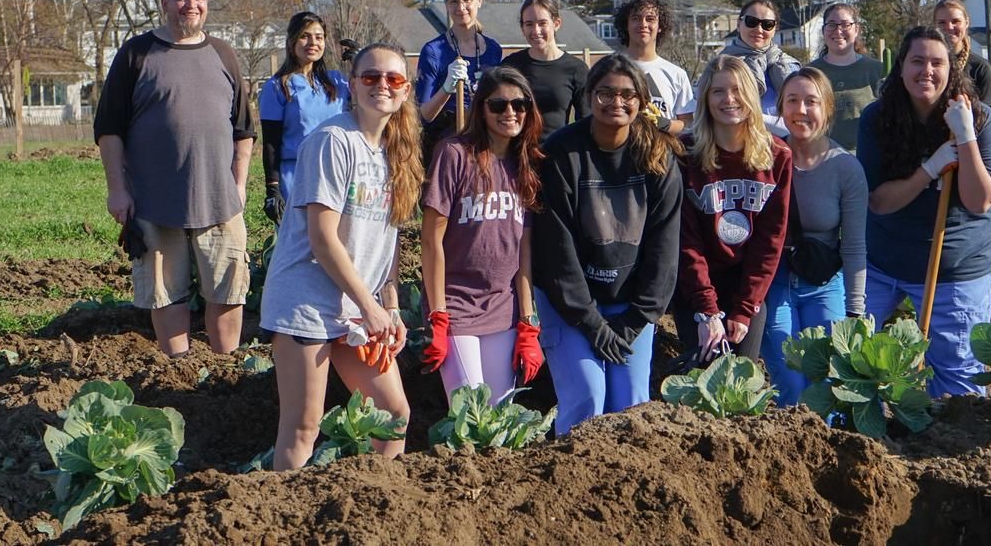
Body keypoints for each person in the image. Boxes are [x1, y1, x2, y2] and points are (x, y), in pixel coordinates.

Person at [261, 42, 423, 470]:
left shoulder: (395, 153)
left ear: (405, 90)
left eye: (393, 79)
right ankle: (280, 519)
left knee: (392, 416)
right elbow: (322, 238)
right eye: (370, 77)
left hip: (355, 306)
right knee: (302, 427)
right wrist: (371, 307)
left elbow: (386, 243)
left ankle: (377, 506)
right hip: (306, 303)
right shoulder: (334, 141)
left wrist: (390, 306)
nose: (381, 86)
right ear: (353, 85)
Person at [94, 0, 254, 357]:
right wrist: (117, 189)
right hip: (154, 200)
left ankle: (223, 362)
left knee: (228, 288)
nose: (191, 5)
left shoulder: (223, 53)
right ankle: (176, 364)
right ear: (165, 4)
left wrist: (239, 184)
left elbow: (244, 128)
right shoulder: (136, 53)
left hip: (219, 200)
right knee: (165, 292)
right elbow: (109, 130)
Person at [533, 53, 683, 435]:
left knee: (630, 405)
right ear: (588, 97)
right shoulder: (563, 152)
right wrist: (591, 323)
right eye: (605, 93)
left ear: (641, 101)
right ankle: (567, 482)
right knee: (587, 396)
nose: (616, 102)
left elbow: (664, 249)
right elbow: (556, 249)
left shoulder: (658, 156)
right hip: (571, 304)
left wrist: (634, 322)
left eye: (627, 94)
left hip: (629, 304)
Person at [856, 26, 991, 397]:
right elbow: (879, 202)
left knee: (959, 383)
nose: (927, 70)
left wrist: (965, 135)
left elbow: (979, 201)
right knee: (849, 358)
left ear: (951, 69)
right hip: (883, 261)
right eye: (917, 61)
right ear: (901, 67)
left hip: (955, 264)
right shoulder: (877, 119)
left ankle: (947, 445)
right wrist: (930, 168)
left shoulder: (981, 119)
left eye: (937, 62)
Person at [420, 67, 545, 404]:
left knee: (499, 416)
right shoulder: (454, 154)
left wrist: (527, 323)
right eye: (498, 105)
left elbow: (524, 252)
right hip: (456, 306)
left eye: (519, 105)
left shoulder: (525, 164)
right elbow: (431, 241)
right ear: (481, 108)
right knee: (470, 414)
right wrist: (438, 316)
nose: (510, 112)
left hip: (502, 309)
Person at [760, 67, 868, 406]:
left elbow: (853, 245)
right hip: (774, 283)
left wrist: (855, 310)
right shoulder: (764, 158)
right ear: (780, 107)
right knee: (789, 386)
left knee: (825, 384)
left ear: (827, 109)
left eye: (811, 101)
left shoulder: (845, 168)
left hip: (823, 285)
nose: (801, 110)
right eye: (792, 100)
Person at [676, 55, 791, 365]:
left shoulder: (777, 155)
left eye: (737, 90)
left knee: (741, 382)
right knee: (699, 380)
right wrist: (706, 310)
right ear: (705, 99)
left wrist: (744, 308)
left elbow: (770, 241)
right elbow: (686, 240)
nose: (729, 99)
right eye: (718, 91)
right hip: (695, 286)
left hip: (746, 286)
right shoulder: (684, 154)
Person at [257, 11, 349, 224]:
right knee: (301, 244)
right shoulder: (278, 87)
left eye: (319, 37)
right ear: (291, 42)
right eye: (305, 36)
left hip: (336, 172)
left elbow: (369, 103)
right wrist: (272, 188)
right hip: (297, 175)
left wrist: (360, 61)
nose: (313, 43)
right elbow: (271, 142)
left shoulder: (337, 82)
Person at [416, 0, 503, 161]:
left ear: (479, 1)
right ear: (447, 5)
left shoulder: (494, 50)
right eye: (454, 2)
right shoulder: (433, 51)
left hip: (484, 143)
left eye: (467, 0)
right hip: (446, 146)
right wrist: (447, 87)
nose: (461, 7)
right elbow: (423, 115)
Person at [699, 0, 801, 136]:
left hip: (787, 147)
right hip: (736, 145)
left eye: (767, 24)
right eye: (751, 22)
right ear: (739, 24)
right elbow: (703, 113)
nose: (759, 29)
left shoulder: (790, 67)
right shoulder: (720, 67)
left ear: (775, 29)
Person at [501, 0, 589, 142]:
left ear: (556, 23)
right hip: (516, 157)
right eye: (529, 24)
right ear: (522, 28)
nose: (536, 31)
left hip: (556, 156)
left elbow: (586, 124)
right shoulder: (511, 66)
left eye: (542, 23)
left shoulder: (576, 69)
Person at [807, 3, 884, 151]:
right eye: (831, 24)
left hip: (866, 157)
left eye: (845, 24)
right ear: (823, 31)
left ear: (856, 30)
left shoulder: (876, 70)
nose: (838, 30)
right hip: (822, 157)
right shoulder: (811, 72)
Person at [614, 0, 694, 134]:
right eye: (636, 18)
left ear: (660, 27)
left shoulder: (676, 74)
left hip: (661, 152)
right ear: (626, 25)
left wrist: (665, 124)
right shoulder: (610, 69)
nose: (643, 24)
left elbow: (687, 124)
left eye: (650, 19)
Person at [933, 0, 991, 107]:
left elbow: (987, 118)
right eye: (942, 23)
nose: (949, 27)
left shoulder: (981, 68)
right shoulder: (925, 65)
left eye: (955, 21)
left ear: (966, 23)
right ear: (934, 25)